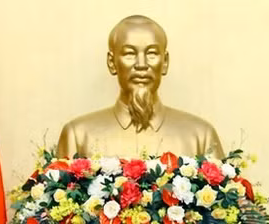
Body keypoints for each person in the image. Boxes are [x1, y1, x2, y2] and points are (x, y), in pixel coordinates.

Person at [56, 15, 224, 159]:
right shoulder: (78, 136)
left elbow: (226, 195)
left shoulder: (201, 136)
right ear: (111, 62)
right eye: (129, 53)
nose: (141, 65)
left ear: (164, 62)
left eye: (152, 53)